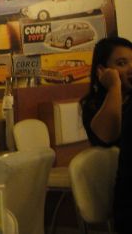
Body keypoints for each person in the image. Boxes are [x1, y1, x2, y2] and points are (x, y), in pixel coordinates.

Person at [80, 36, 132, 233]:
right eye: (122, 63)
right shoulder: (92, 105)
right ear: (102, 70)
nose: (131, 68)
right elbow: (106, 137)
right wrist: (114, 86)